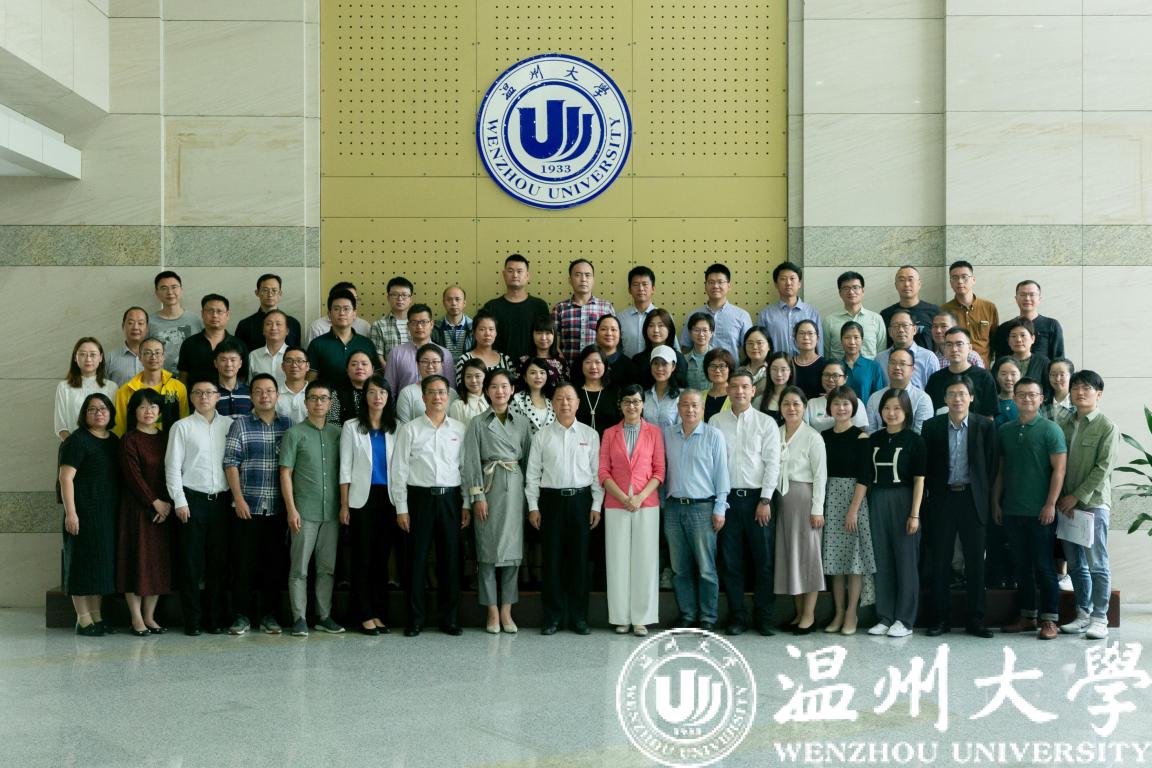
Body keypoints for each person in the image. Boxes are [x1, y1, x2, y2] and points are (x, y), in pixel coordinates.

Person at [921, 376, 998, 639]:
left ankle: (976, 620)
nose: (957, 399)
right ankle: (940, 619)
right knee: (940, 560)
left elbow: (991, 466)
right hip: (942, 499)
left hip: (973, 500)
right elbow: (926, 465)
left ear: (971, 398)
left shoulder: (984, 426)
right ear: (945, 399)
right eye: (952, 394)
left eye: (962, 394)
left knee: (975, 562)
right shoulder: (932, 426)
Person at [392, 375, 468, 637]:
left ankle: (450, 619)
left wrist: (467, 504)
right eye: (432, 392)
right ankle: (415, 619)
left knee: (451, 560)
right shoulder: (410, 429)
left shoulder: (459, 429)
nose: (437, 397)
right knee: (416, 560)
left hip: (451, 499)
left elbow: (465, 469)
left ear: (448, 396)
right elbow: (399, 470)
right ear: (423, 397)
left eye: (442, 392)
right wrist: (401, 508)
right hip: (419, 499)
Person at [526, 383, 604, 635]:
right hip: (551, 502)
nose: (565, 403)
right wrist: (533, 506)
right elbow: (532, 475)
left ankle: (579, 618)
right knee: (552, 561)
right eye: (559, 399)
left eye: (570, 399)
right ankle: (552, 618)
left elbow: (597, 474)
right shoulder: (542, 436)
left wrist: (596, 505)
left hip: (581, 502)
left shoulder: (590, 435)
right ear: (553, 404)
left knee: (580, 562)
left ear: (578, 403)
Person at [994, 377, 1067, 640]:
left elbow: (1059, 470)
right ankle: (1027, 617)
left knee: (1044, 566)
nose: (1027, 399)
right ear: (1014, 398)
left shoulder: (1051, 430)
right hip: (1012, 510)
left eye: (1032, 395)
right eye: (1022, 394)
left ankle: (1050, 619)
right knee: (1021, 566)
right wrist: (996, 502)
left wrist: (1050, 504)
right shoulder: (1005, 430)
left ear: (1041, 399)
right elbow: (1001, 471)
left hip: (1041, 512)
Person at [710, 369, 781, 637]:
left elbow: (773, 463)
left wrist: (765, 499)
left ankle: (764, 617)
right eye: (734, 386)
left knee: (764, 561)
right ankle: (737, 617)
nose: (739, 391)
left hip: (757, 500)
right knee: (731, 562)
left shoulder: (766, 422)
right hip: (727, 500)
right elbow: (714, 463)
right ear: (728, 390)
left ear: (753, 391)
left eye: (744, 387)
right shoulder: (716, 421)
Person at [462, 369, 533, 634]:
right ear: (487, 391)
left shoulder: (522, 422)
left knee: (513, 555)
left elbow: (529, 462)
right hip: (489, 489)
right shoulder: (478, 422)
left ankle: (506, 610)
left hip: (514, 489)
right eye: (494, 387)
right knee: (487, 552)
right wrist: (477, 496)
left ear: (512, 390)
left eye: (504, 386)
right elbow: (471, 462)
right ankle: (491, 610)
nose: (500, 391)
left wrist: (529, 499)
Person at [222, 374, 291, 636]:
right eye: (259, 391)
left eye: (269, 391)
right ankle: (241, 616)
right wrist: (238, 499)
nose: (264, 396)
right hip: (247, 507)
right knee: (243, 564)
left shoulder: (288, 424)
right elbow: (231, 463)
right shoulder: (240, 425)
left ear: (277, 395)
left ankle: (269, 615)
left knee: (274, 564)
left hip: (277, 507)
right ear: (251, 396)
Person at [164, 380, 233, 636]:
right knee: (191, 564)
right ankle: (192, 621)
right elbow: (172, 466)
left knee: (218, 564)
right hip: (192, 502)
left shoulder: (229, 425)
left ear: (218, 397)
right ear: (191, 397)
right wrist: (179, 501)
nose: (204, 397)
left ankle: (213, 619)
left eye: (209, 393)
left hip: (222, 502)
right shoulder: (181, 427)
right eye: (198, 393)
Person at [280, 380, 345, 637]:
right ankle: (299, 617)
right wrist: (291, 509)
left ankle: (323, 616)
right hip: (304, 511)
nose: (319, 403)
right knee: (299, 568)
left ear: (330, 403)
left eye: (323, 398)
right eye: (313, 398)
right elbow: (285, 473)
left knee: (326, 568)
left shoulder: (338, 434)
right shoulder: (294, 433)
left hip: (332, 512)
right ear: (306, 402)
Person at [1057, 370, 1119, 640]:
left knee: (1097, 564)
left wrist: (1077, 496)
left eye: (1087, 388)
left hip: (1092, 503)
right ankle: (1083, 613)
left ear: (1099, 394)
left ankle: (1100, 618)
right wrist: (1063, 497)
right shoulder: (1064, 423)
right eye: (1076, 388)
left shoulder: (1107, 426)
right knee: (1075, 564)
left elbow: (1103, 468)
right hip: (1066, 504)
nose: (1080, 393)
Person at [599, 385, 665, 637]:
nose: (632, 406)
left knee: (645, 560)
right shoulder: (609, 433)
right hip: (616, 503)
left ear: (643, 404)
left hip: (646, 503)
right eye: (627, 401)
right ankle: (621, 617)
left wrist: (639, 497)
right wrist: (623, 497)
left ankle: (642, 618)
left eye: (636, 401)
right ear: (620, 405)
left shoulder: (654, 432)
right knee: (617, 560)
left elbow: (659, 471)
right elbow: (603, 471)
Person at [662, 389, 730, 631]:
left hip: (703, 508)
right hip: (673, 508)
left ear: (702, 409)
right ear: (678, 408)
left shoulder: (714, 435)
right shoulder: (668, 435)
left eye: (695, 405)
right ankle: (688, 615)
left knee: (706, 568)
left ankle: (708, 618)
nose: (690, 410)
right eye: (685, 405)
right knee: (679, 569)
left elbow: (722, 474)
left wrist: (720, 508)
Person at [338, 374, 399, 636]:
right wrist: (344, 505)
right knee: (362, 557)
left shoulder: (397, 428)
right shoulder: (352, 426)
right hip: (361, 499)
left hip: (389, 499)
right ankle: (363, 614)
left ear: (388, 397)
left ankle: (379, 613)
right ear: (365, 396)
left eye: (382, 393)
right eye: (372, 392)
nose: (377, 397)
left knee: (381, 558)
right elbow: (345, 468)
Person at [59, 393, 121, 636]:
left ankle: (96, 616)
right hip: (82, 513)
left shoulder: (113, 440)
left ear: (111, 413)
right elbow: (65, 478)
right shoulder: (77, 441)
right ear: (84, 414)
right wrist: (71, 513)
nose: (99, 413)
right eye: (92, 409)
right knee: (81, 565)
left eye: (103, 408)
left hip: (106, 514)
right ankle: (83, 619)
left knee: (100, 566)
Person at [866, 388, 926, 638]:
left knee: (905, 561)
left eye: (897, 408)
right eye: (887, 408)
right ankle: (885, 616)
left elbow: (920, 479)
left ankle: (905, 619)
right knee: (882, 559)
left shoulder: (914, 440)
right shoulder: (874, 439)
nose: (891, 413)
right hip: (877, 499)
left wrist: (915, 514)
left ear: (906, 412)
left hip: (904, 500)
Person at [116, 389, 172, 635]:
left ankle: (150, 616)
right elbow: (133, 476)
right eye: (143, 407)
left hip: (164, 510)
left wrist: (166, 504)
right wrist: (154, 502)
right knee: (135, 561)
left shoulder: (167, 438)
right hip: (136, 510)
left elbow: (174, 471)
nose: (149, 411)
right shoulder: (129, 439)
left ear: (160, 411)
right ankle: (136, 618)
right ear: (134, 411)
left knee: (157, 563)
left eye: (153, 406)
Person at [820, 386, 874, 636]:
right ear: (829, 408)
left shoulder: (861, 437)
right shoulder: (823, 436)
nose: (841, 408)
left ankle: (852, 612)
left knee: (854, 560)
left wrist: (853, 510)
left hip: (854, 500)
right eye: (836, 404)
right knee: (834, 560)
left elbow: (864, 477)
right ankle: (839, 612)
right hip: (829, 499)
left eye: (846, 404)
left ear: (853, 407)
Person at [774, 387, 827, 634]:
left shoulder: (813, 437)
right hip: (780, 501)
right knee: (790, 556)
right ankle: (798, 613)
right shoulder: (775, 433)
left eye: (796, 404)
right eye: (786, 403)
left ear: (804, 407)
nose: (791, 408)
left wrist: (817, 509)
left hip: (804, 500)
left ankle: (809, 615)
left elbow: (820, 476)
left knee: (808, 556)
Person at [112, 337, 189, 437]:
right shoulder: (126, 390)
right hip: (136, 445)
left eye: (157, 353)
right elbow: (119, 427)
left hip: (171, 443)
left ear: (163, 356)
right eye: (148, 353)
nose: (153, 357)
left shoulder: (178, 387)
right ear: (140, 357)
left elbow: (185, 420)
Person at [481, 254, 552, 360]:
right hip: (499, 366)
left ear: (527, 275)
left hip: (532, 366)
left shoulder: (539, 306)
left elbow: (547, 338)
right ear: (504, 274)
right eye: (510, 271)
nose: (515, 275)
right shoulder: (491, 307)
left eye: (519, 271)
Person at [678, 263, 752, 359]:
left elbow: (750, 348)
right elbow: (685, 347)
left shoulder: (742, 316)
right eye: (711, 282)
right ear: (705, 286)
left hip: (731, 368)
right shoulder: (693, 315)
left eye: (720, 282)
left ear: (729, 286)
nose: (715, 286)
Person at [305, 288, 376, 388]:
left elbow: (376, 378)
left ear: (354, 313)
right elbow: (310, 380)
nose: (342, 313)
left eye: (346, 309)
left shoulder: (367, 343)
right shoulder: (317, 344)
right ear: (329, 314)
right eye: (336, 309)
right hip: (329, 397)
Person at [55, 337, 119, 440]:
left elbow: (115, 423)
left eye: (93, 354)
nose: (88, 359)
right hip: (72, 445)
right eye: (82, 354)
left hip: (104, 446)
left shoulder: (112, 387)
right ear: (75, 358)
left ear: (101, 357)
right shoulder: (64, 387)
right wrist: (74, 446)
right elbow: (61, 426)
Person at [924, 327, 997, 417]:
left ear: (969, 348)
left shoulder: (984, 377)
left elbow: (989, 416)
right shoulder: (935, 379)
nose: (954, 349)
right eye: (949, 344)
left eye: (959, 344)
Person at [178, 294, 249, 386]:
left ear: (227, 315)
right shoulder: (189, 344)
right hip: (197, 394)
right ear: (202, 314)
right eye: (210, 311)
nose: (214, 315)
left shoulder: (239, 344)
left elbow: (243, 377)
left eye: (219, 311)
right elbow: (183, 377)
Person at [384, 303, 455, 395]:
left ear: (432, 324)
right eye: (414, 322)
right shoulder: (396, 354)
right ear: (408, 325)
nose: (419, 327)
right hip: (406, 403)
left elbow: (450, 389)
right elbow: (389, 390)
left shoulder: (445, 354)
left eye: (424, 322)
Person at [552, 259, 616, 361]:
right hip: (568, 368)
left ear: (593, 279)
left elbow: (613, 343)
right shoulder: (560, 308)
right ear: (570, 280)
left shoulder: (606, 307)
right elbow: (554, 344)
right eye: (578, 275)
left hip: (597, 368)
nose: (583, 279)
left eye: (588, 275)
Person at [940, 261, 999, 366]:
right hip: (954, 368)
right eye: (955, 278)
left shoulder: (989, 307)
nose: (960, 281)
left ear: (973, 280)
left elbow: (995, 341)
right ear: (950, 282)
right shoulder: (943, 310)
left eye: (964, 277)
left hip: (983, 370)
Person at [757, 261, 822, 356]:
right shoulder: (765, 314)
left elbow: (819, 344)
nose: (788, 283)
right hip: (776, 364)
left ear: (799, 283)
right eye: (783, 279)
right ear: (776, 284)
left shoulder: (812, 312)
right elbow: (760, 345)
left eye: (792, 278)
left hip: (807, 363)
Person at [992, 279, 1065, 361]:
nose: (1027, 298)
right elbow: (1000, 359)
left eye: (1032, 294)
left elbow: (1059, 359)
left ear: (1039, 299)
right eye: (1022, 294)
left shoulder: (1052, 325)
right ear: (1016, 298)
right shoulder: (1004, 327)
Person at [865, 348, 934, 434]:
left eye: (902, 363)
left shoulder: (922, 399)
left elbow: (921, 434)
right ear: (887, 366)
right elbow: (871, 432)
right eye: (893, 363)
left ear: (912, 369)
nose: (897, 367)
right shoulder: (875, 397)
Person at [823, 271, 887, 361]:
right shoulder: (829, 321)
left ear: (862, 291)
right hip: (839, 369)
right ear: (840, 292)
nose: (851, 292)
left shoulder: (876, 319)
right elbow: (825, 354)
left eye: (855, 287)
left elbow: (881, 354)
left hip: (869, 370)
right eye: (846, 288)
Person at [150, 271, 203, 373]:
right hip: (162, 379)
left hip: (193, 378)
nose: (170, 292)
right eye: (164, 288)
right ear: (156, 293)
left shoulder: (196, 320)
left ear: (181, 290)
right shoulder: (149, 322)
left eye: (174, 287)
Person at [233, 273, 302, 352]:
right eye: (265, 290)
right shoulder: (245, 325)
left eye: (274, 290)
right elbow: (239, 355)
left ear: (280, 293)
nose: (270, 294)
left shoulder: (293, 323)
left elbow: (297, 353)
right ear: (257, 293)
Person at [875, 309, 939, 390]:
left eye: (905, 325)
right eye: (896, 326)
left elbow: (936, 389)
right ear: (890, 332)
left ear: (914, 330)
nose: (901, 330)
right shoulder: (880, 359)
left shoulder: (928, 358)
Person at [395, 344, 460, 423]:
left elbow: (456, 423)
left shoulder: (452, 393)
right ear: (417, 365)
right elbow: (404, 426)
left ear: (442, 364)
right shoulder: (407, 393)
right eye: (425, 362)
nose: (430, 366)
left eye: (435, 362)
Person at [880, 265, 939, 352]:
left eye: (910, 279)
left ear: (919, 284)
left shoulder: (935, 312)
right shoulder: (885, 314)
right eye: (901, 280)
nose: (906, 284)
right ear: (896, 285)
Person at [631, 308, 688, 390]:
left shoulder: (678, 358)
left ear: (669, 329)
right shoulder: (638, 360)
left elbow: (683, 388)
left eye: (661, 325)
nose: (656, 330)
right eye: (651, 326)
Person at [805, 360, 868, 432]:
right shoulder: (812, 403)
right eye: (826, 375)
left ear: (845, 379)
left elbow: (860, 432)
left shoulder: (855, 402)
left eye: (835, 376)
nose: (830, 379)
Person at [304, 281, 372, 345]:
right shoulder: (317, 327)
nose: (354, 302)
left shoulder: (365, 326)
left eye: (355, 298)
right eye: (348, 297)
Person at [369, 276, 415, 369]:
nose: (400, 299)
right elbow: (378, 355)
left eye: (404, 295)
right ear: (388, 298)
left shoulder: (418, 323)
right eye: (395, 294)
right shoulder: (379, 325)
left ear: (410, 299)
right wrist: (391, 372)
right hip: (389, 373)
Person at [573, 345, 620, 436]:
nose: (593, 367)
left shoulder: (615, 391)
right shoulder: (573, 391)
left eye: (598, 362)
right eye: (588, 362)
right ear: (581, 365)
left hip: (609, 442)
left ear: (605, 365)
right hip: (578, 442)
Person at [453, 310, 512, 379]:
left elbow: (512, 384)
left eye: (491, 329)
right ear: (474, 332)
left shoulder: (505, 359)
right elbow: (461, 385)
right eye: (482, 329)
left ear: (496, 333)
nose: (487, 333)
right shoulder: (465, 359)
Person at [1002, 318, 1051, 398]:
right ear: (1008, 341)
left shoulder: (1043, 362)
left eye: (1023, 335)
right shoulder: (1002, 363)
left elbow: (1048, 391)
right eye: (1013, 336)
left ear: (1033, 339)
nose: (1018, 340)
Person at [619, 266, 661, 357]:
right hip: (628, 365)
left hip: (656, 365)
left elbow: (673, 348)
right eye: (636, 284)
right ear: (629, 290)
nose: (641, 288)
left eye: (645, 284)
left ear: (653, 289)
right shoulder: (620, 318)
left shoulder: (663, 317)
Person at [839, 321, 886, 403]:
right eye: (847, 337)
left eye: (856, 337)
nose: (852, 342)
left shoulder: (873, 366)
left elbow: (879, 397)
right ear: (841, 341)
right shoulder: (836, 367)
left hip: (867, 411)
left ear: (862, 340)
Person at [517, 315, 568, 388]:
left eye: (548, 333)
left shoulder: (561, 362)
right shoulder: (523, 361)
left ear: (554, 336)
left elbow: (566, 388)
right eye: (539, 333)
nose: (543, 338)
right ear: (532, 335)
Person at [328, 350, 375, 425]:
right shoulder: (337, 394)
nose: (359, 367)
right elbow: (333, 423)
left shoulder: (380, 393)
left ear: (373, 369)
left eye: (364, 364)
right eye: (354, 364)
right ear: (347, 370)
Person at [106, 307, 150, 386]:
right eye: (130, 323)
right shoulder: (110, 358)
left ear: (147, 328)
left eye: (140, 323)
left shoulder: (157, 358)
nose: (135, 327)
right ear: (123, 326)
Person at [509, 358, 556, 433]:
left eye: (542, 373)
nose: (538, 376)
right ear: (525, 377)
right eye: (533, 373)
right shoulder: (517, 399)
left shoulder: (552, 399)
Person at [247, 309, 290, 387]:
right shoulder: (254, 356)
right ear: (263, 330)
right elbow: (249, 386)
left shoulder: (294, 355)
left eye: (278, 324)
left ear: (287, 331)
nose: (273, 328)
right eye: (269, 324)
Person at [595, 314, 638, 388]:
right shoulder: (584, 362)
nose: (609, 333)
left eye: (613, 330)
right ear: (596, 334)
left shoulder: (629, 366)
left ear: (620, 334)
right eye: (603, 329)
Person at [642, 345, 681, 427]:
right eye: (655, 363)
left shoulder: (681, 396)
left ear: (673, 366)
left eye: (664, 364)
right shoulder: (644, 395)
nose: (659, 368)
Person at [212, 341, 252, 417]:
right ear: (216, 363)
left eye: (233, 360)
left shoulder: (250, 392)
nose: (228, 364)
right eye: (223, 360)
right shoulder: (209, 393)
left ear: (240, 363)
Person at [432, 285, 473, 359]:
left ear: (464, 303)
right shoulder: (434, 327)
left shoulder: (473, 327)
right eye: (449, 299)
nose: (453, 303)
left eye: (457, 299)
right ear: (443, 302)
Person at [790, 319, 825, 399]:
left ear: (817, 338)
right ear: (795, 338)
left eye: (810, 333)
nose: (806, 337)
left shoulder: (825, 365)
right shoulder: (789, 363)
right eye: (801, 333)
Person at [449, 358, 490, 425]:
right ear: (463, 379)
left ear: (485, 377)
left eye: (477, 376)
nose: (473, 380)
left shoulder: (493, 401)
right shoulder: (457, 406)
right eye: (468, 376)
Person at [276, 346, 310, 424]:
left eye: (299, 361)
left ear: (307, 366)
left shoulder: (315, 393)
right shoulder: (274, 394)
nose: (294, 365)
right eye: (289, 361)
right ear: (283, 366)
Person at [758, 351, 794, 425]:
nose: (779, 374)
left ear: (791, 372)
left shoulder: (798, 399)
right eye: (774, 369)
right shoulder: (760, 400)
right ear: (769, 371)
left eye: (783, 369)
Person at [682, 311, 715, 392]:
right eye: (696, 330)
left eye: (705, 330)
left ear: (711, 333)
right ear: (690, 333)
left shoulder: (719, 358)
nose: (701, 334)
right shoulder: (684, 360)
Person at [739, 326, 772, 398]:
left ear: (769, 346)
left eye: (759, 343)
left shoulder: (773, 372)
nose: (754, 347)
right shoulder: (738, 371)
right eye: (750, 343)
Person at [702, 348, 734, 420]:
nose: (717, 370)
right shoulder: (700, 396)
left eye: (722, 366)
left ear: (730, 369)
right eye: (712, 366)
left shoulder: (736, 397)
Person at [1042, 358, 1076, 426]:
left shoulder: (1077, 403)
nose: (1057, 379)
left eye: (1062, 375)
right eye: (1053, 374)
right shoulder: (1042, 403)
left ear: (1071, 376)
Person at [991, 356, 1022, 427]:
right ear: (996, 376)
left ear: (1021, 375)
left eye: (1013, 374)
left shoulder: (1027, 401)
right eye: (1003, 374)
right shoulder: (991, 402)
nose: (1008, 378)